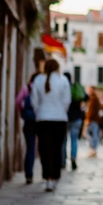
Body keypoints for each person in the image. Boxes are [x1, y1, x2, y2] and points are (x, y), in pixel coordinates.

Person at [32, 58, 71, 192]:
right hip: (60, 119)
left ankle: (48, 177)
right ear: (57, 68)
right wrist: (60, 111)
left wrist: (41, 112)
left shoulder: (38, 80)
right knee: (56, 149)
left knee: (45, 150)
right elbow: (67, 101)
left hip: (43, 119)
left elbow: (34, 101)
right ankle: (55, 177)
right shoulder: (63, 80)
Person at [16, 72, 39, 184]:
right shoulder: (42, 88)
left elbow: (18, 102)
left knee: (30, 148)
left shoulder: (27, 88)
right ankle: (47, 175)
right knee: (42, 148)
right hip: (40, 121)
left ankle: (28, 175)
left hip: (29, 122)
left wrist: (23, 111)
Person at [63, 73, 86, 170]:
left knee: (63, 141)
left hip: (64, 117)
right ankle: (73, 158)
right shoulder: (76, 88)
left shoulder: (63, 88)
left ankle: (62, 161)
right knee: (74, 140)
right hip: (76, 117)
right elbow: (86, 97)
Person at [84, 86, 102, 156]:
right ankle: (93, 149)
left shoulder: (93, 99)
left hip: (93, 119)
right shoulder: (94, 98)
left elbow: (91, 111)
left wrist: (88, 119)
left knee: (90, 134)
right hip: (94, 119)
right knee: (92, 134)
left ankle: (93, 148)